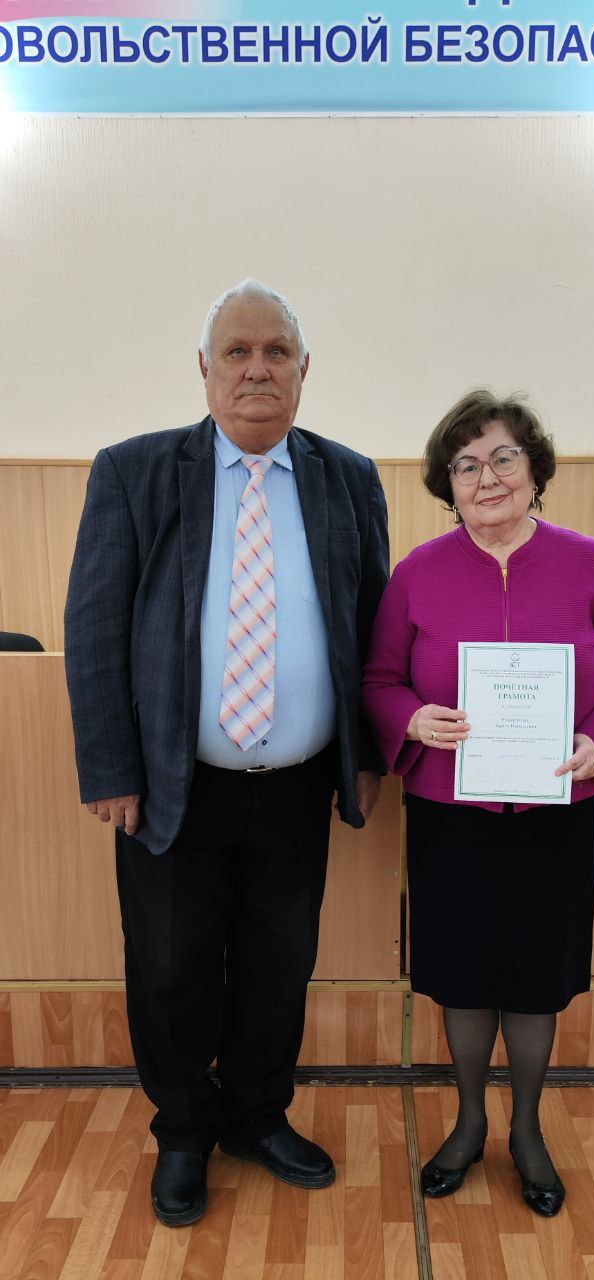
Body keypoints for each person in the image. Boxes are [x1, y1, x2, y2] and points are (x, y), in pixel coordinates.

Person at [65, 279, 389, 1227]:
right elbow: (93, 629)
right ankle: (183, 1132)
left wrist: (366, 755)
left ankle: (256, 1115)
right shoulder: (134, 471)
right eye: (238, 352)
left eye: (276, 351)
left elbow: (373, 626)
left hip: (297, 787)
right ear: (204, 369)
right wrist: (111, 767)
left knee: (278, 964)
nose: (257, 369)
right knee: (169, 969)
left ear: (303, 369)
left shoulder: (348, 478)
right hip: (172, 784)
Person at [361, 389, 594, 1215]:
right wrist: (411, 718)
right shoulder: (417, 572)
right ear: (447, 484)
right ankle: (467, 1123)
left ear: (534, 470)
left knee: (533, 978)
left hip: (554, 812)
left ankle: (527, 1129)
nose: (485, 477)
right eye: (466, 465)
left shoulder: (587, 563)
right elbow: (378, 680)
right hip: (448, 812)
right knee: (462, 975)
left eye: (502, 457)